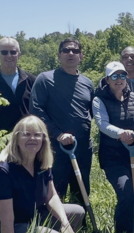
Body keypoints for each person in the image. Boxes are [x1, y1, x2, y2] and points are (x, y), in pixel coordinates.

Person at [0, 115, 85, 233]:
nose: (33, 139)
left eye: (37, 135)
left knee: (77, 212)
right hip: (6, 227)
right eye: (27, 134)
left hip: (32, 216)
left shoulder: (41, 161)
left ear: (44, 139)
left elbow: (52, 196)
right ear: (16, 138)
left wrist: (64, 223)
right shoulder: (3, 170)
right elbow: (6, 219)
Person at [29, 38, 95, 201]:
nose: (70, 53)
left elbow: (92, 113)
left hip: (82, 147)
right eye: (66, 50)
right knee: (54, 190)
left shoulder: (87, 83)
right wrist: (58, 134)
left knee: (81, 189)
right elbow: (36, 110)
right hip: (55, 147)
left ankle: (81, 225)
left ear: (81, 56)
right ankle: (54, 225)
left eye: (75, 51)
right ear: (59, 55)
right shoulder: (45, 79)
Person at [93, 60, 134, 233]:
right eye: (114, 76)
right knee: (126, 191)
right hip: (112, 157)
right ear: (107, 80)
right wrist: (122, 133)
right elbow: (103, 124)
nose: (119, 79)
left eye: (122, 75)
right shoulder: (99, 100)